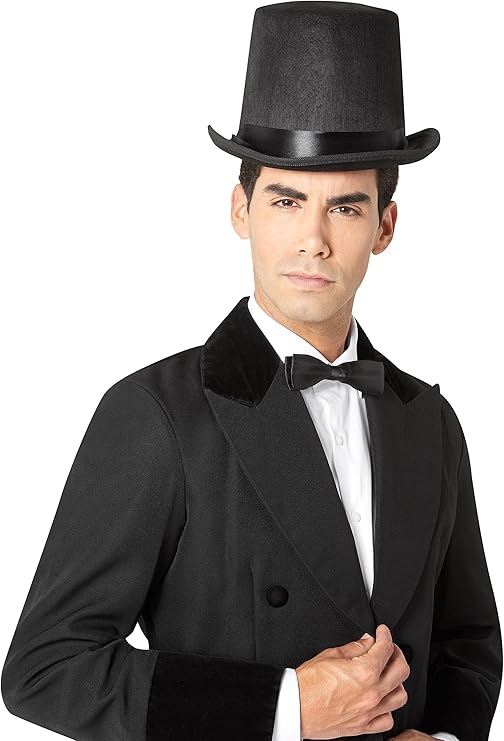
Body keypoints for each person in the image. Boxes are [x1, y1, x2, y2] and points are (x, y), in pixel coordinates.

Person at [1, 2, 502, 740]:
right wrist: (286, 707)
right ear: (241, 208)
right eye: (287, 200)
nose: (313, 240)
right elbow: (46, 668)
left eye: (347, 208)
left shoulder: (429, 420)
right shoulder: (157, 413)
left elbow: (469, 643)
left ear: (385, 226)